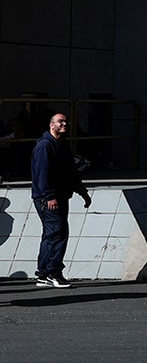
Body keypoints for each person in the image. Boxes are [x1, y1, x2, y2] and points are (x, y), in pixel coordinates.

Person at [31, 113, 92, 288]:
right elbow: (43, 174)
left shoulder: (62, 145)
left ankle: (43, 274)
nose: (64, 124)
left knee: (50, 235)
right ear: (51, 125)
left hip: (60, 196)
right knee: (58, 233)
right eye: (60, 122)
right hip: (48, 198)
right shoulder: (45, 146)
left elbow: (71, 173)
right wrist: (49, 196)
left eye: (66, 121)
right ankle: (53, 272)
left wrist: (83, 192)